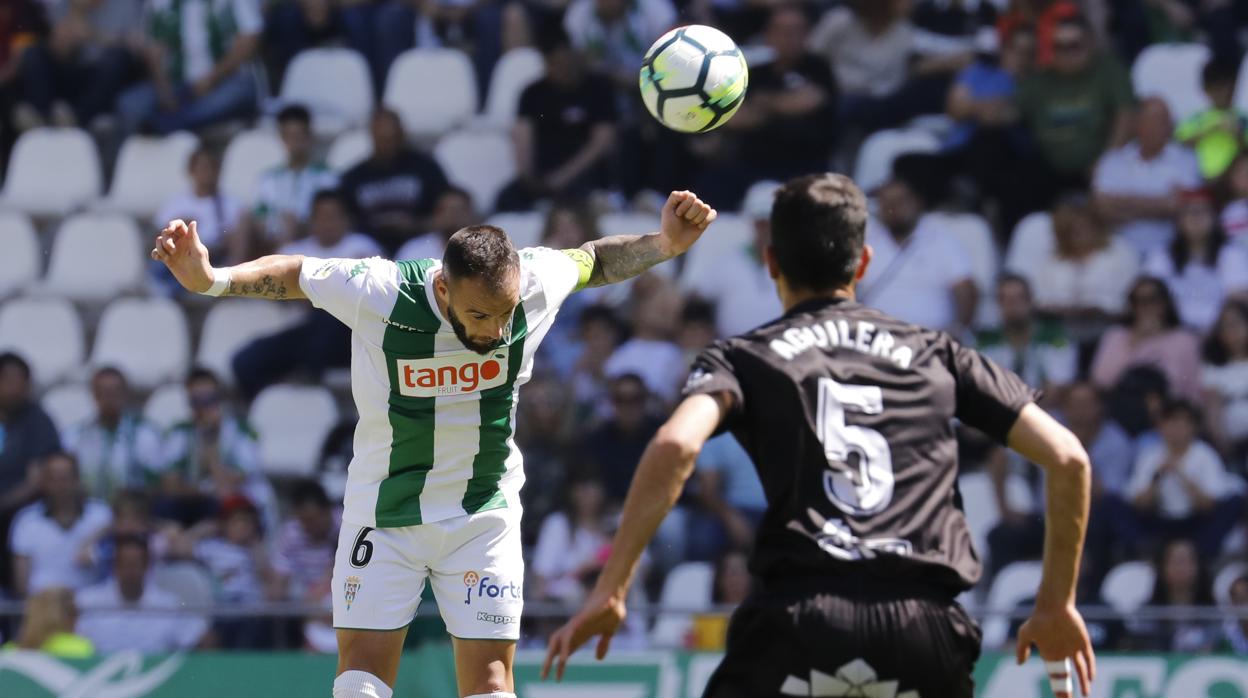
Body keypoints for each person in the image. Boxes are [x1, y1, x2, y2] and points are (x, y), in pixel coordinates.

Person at [149, 185, 717, 697]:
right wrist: (212, 280)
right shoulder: (383, 293)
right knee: (358, 685)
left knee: (492, 687)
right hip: (385, 511)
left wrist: (664, 243)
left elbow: (595, 260)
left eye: (504, 313)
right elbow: (298, 272)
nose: (495, 331)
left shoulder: (535, 283)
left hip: (482, 515)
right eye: (478, 314)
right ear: (443, 288)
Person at [543, 173, 1096, 698]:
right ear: (865, 262)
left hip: (802, 618)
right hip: (923, 626)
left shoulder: (745, 357)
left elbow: (674, 446)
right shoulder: (938, 353)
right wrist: (1055, 605)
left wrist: (612, 589)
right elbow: (1069, 458)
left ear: (770, 262)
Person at [1012, 14, 1134, 205]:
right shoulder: (1041, 78)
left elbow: (1126, 114)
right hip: (1047, 171)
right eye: (1060, 47)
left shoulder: (1109, 70)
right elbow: (1009, 112)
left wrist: (1107, 161)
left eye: (1075, 45)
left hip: (1097, 169)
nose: (1068, 53)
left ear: (1090, 42)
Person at [496, 26, 617, 212]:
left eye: (564, 62)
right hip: (543, 176)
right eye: (554, 63)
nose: (561, 69)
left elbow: (603, 140)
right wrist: (528, 179)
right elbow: (522, 136)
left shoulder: (598, 88)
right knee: (507, 199)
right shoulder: (532, 93)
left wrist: (563, 177)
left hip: (584, 175)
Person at [859, 157, 977, 335]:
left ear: (918, 203)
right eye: (887, 203)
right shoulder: (865, 239)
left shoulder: (940, 238)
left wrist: (958, 331)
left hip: (930, 343)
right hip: (876, 343)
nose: (893, 209)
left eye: (899, 202)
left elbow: (965, 289)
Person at [724, 7, 837, 183]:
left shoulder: (819, 68)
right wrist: (785, 105)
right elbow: (736, 119)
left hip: (808, 164)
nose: (790, 38)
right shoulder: (755, 73)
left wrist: (764, 103)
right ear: (768, 35)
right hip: (755, 163)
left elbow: (810, 101)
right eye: (783, 31)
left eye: (797, 31)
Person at [116, 0, 264, 135]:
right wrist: (165, 92)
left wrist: (212, 78)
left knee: (226, 98)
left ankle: (164, 125)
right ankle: (169, 125)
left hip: (228, 80)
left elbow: (249, 41)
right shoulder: (161, 3)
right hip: (179, 86)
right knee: (129, 104)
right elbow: (154, 52)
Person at [1118, 400, 1244, 557]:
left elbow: (1208, 505)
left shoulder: (1205, 455)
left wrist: (1180, 474)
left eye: (1183, 423)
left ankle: (1202, 554)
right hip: (1160, 522)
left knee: (1235, 502)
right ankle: (1146, 550)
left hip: (1194, 522)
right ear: (1161, 427)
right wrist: (1157, 478)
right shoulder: (1150, 455)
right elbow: (1141, 505)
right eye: (1171, 422)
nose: (1176, 429)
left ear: (1193, 427)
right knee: (1113, 504)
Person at [152, 368, 275, 528]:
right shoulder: (180, 431)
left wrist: (210, 440)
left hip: (238, 509)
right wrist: (198, 492)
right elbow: (169, 485)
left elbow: (226, 490)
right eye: (196, 402)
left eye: (209, 400)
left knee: (221, 508)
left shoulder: (243, 433)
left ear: (220, 400)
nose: (203, 408)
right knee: (162, 507)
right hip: (197, 501)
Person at [1092, 97, 1202, 256]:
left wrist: (1123, 201)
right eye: (1158, 120)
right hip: (1119, 253)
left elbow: (1184, 206)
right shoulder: (1113, 162)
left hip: (1172, 254)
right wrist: (1161, 204)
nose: (1166, 126)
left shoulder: (1186, 160)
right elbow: (1102, 209)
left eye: (1167, 120)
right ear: (1138, 124)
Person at [681, 180, 784, 338]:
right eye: (760, 222)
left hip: (785, 352)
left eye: (771, 221)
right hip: (731, 351)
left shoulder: (799, 262)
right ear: (751, 222)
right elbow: (695, 295)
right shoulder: (727, 261)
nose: (765, 228)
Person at [339, 108, 451, 253]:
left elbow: (446, 213)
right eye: (382, 138)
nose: (387, 143)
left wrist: (414, 224)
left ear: (403, 134)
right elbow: (345, 221)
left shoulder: (427, 168)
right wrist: (375, 225)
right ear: (372, 136)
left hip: (420, 245)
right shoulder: (354, 176)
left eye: (392, 137)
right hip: (370, 248)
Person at [76, 534, 209, 653]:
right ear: (115, 567)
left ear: (146, 567)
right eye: (125, 565)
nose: (130, 571)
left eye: (135, 565)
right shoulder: (87, 601)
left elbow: (201, 639)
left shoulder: (169, 605)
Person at [1143, 188, 1248, 332]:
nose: (1195, 218)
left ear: (1214, 218)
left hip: (1219, 335)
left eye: (1202, 212)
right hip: (1170, 332)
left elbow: (1238, 299)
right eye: (1188, 212)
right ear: (1178, 220)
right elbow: (1150, 296)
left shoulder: (1232, 254)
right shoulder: (1161, 255)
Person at [242, 104, 340, 257]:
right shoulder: (268, 178)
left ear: (309, 136)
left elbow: (331, 215)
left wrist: (295, 224)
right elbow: (258, 214)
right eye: (289, 136)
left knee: (290, 222)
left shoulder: (326, 176)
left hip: (310, 235)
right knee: (244, 218)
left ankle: (280, 273)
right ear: (282, 138)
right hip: (272, 235)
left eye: (299, 136)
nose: (295, 142)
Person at [9, 452, 112, 597]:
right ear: (43, 482)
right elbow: (22, 583)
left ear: (77, 480)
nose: (60, 485)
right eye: (53, 479)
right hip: (43, 607)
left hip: (93, 610)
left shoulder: (102, 515)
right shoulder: (26, 520)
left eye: (65, 478)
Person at [1090, 277, 1203, 402]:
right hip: (1121, 408)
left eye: (1152, 300)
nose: (1146, 306)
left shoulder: (1185, 340)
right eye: (1138, 301)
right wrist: (1138, 341)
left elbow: (1190, 390)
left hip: (1167, 412)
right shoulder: (1115, 336)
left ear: (1165, 303)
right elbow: (1101, 381)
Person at [192, 494, 280, 648]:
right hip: (219, 612)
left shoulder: (259, 550)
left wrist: (256, 548)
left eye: (248, 522)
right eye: (237, 521)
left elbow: (272, 585)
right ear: (225, 524)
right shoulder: (212, 547)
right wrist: (202, 529)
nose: (243, 526)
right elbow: (177, 547)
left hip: (250, 614)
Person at [63, 367, 163, 501]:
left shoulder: (145, 434)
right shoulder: (74, 435)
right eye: (103, 392)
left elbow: (157, 484)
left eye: (115, 392)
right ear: (94, 395)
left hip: (133, 515)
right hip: (88, 512)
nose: (109, 398)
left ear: (125, 394)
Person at [976, 274, 1077, 398]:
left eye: (1018, 299)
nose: (1012, 305)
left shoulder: (1055, 338)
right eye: (1005, 300)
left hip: (1046, 412)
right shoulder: (986, 342)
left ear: (1031, 301)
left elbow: (1059, 387)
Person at [153, 147, 245, 266]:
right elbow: (158, 237)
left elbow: (236, 244)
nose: (207, 173)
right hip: (179, 262)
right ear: (191, 171)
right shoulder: (174, 204)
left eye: (212, 168)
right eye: (202, 168)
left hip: (215, 262)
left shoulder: (232, 204)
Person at [1126, 538, 1218, 652]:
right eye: (1175, 561)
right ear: (1162, 566)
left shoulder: (1213, 614)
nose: (1181, 568)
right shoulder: (1146, 614)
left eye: (1187, 560)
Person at [0, 353, 61, 514]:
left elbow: (36, 480)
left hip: (19, 514)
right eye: (7, 380)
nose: (14, 388)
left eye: (20, 381)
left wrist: (3, 504)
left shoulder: (38, 422)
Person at [1176, 55, 1248, 182]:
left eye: (1228, 88)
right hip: (1202, 178)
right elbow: (1181, 140)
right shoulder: (1197, 118)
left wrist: (1238, 135)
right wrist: (1210, 130)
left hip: (1234, 180)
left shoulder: (1242, 118)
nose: (1224, 93)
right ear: (1206, 90)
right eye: (1218, 88)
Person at [1201, 300, 1248, 460]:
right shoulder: (1214, 368)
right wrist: (1222, 445)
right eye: (1225, 326)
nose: (1231, 332)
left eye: (1235, 324)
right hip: (1232, 444)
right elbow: (1213, 409)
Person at [395, 187, 479, 262]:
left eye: (459, 211)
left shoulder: (483, 250)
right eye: (446, 211)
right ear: (436, 214)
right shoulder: (413, 249)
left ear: (471, 214)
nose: (453, 217)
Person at [4, 587, 94, 657]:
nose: (77, 618)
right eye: (75, 612)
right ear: (67, 616)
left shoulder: (8, 651)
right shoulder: (80, 648)